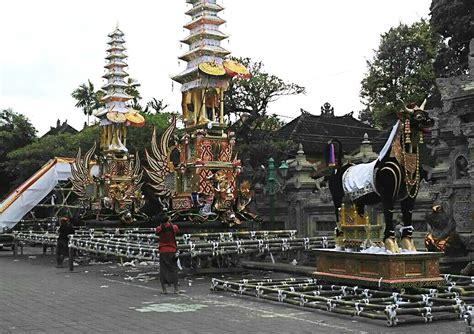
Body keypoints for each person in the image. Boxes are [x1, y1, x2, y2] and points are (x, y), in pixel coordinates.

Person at [155, 213, 180, 294]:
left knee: (163, 270)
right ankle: (176, 289)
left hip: (163, 250)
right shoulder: (174, 227)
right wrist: (170, 223)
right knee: (173, 269)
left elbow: (157, 233)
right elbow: (177, 231)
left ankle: (164, 290)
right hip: (172, 250)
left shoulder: (159, 228)